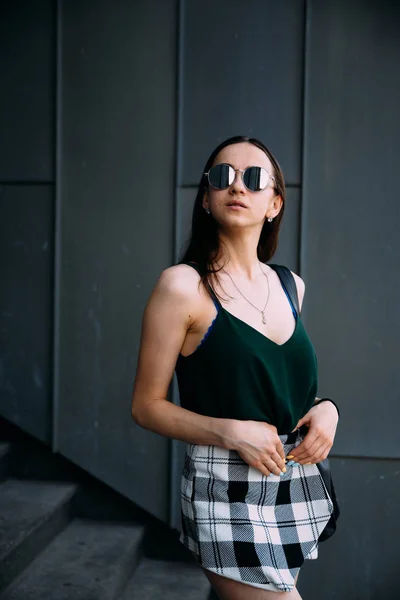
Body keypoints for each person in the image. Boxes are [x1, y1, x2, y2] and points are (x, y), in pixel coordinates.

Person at [131, 135, 340, 599]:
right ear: (206, 199)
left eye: (254, 178)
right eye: (222, 177)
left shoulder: (291, 286)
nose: (237, 187)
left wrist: (328, 410)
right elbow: (146, 406)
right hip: (222, 485)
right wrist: (231, 431)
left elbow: (290, 390)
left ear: (274, 203)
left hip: (291, 478)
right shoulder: (183, 286)